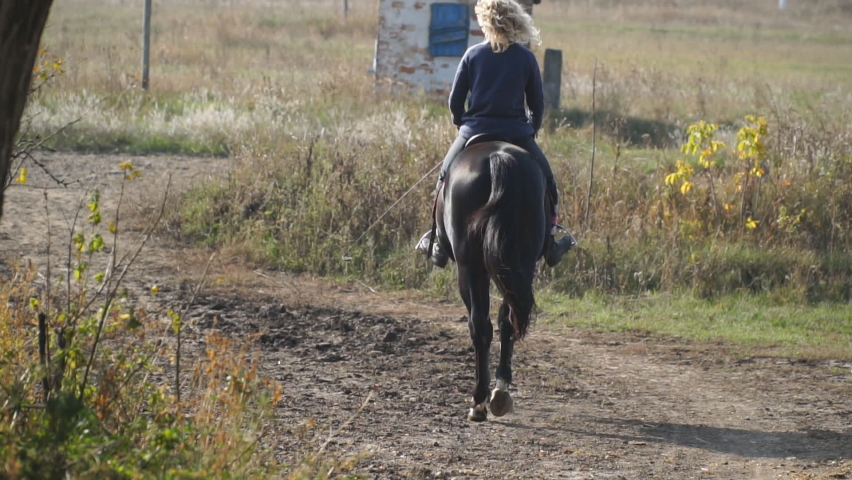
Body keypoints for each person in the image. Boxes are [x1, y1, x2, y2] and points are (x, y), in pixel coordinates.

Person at [415, 0, 575, 268]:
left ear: (485, 21)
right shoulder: (526, 57)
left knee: (443, 179)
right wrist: (530, 131)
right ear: (516, 21)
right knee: (548, 183)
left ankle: (438, 243)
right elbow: (537, 105)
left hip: (474, 131)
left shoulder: (472, 55)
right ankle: (550, 243)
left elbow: (455, 103)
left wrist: (463, 127)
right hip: (517, 134)